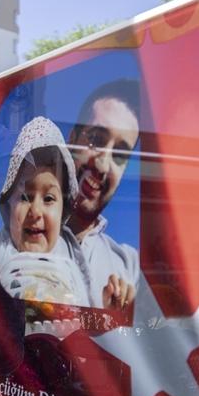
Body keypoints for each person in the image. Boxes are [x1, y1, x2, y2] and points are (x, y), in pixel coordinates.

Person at [0, 116, 90, 306]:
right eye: (24, 197)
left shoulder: (71, 265)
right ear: (8, 205)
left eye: (48, 199)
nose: (36, 211)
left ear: (64, 210)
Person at [66, 79, 141, 309]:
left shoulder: (130, 267)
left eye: (119, 154)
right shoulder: (12, 240)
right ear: (71, 140)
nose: (102, 164)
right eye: (96, 140)